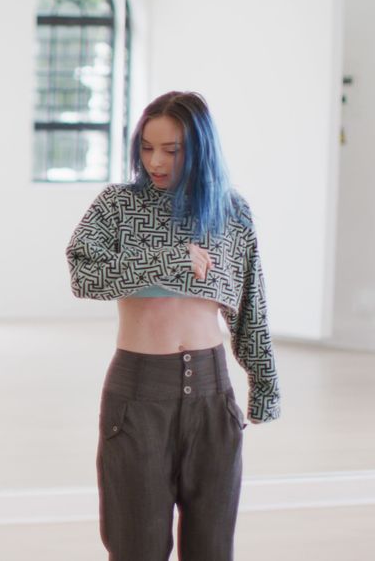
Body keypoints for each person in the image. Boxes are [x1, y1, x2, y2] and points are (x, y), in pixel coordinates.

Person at [66, 91, 281, 560]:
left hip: (212, 391)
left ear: (200, 148)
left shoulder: (232, 212)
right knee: (136, 546)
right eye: (146, 147)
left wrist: (263, 384)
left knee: (212, 548)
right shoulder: (117, 205)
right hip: (139, 395)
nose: (155, 161)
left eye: (171, 150)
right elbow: (85, 277)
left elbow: (251, 306)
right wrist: (166, 258)